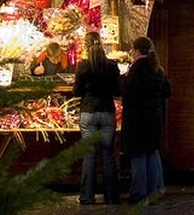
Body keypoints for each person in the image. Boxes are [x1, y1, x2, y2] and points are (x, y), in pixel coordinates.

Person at [72, 32, 122, 205]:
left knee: (89, 154)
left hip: (88, 112)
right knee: (108, 154)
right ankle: (112, 196)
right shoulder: (112, 66)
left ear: (86, 46)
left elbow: (76, 92)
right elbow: (117, 91)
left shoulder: (83, 66)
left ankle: (87, 196)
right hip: (107, 111)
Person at [121, 36, 171, 205]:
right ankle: (154, 192)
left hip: (138, 118)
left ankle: (139, 194)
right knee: (152, 152)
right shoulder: (157, 68)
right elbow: (167, 91)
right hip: (155, 117)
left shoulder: (136, 68)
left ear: (136, 50)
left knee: (139, 155)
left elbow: (129, 91)